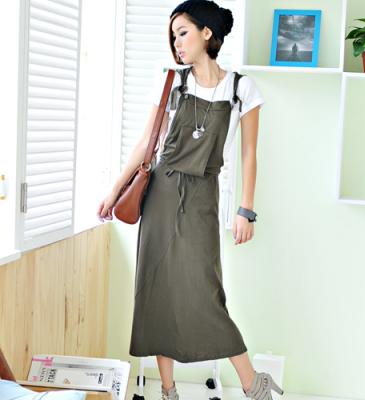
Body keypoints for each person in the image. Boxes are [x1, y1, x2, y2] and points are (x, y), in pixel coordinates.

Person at [97, 1, 284, 399]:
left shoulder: (242, 88)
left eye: (182, 32)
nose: (176, 42)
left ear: (206, 33)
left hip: (203, 196)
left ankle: (253, 383)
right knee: (157, 289)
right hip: (161, 194)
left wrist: (246, 210)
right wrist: (114, 190)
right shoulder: (170, 81)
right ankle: (168, 391)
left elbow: (250, 154)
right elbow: (146, 142)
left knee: (206, 291)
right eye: (173, 36)